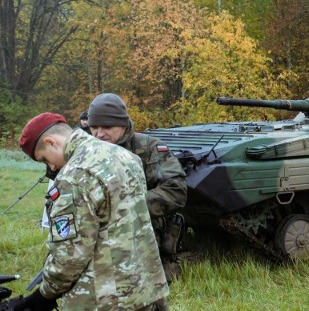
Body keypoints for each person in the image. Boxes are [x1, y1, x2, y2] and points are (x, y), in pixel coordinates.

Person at [14, 112, 169, 310]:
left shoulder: (74, 176)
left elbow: (70, 256)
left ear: (51, 142)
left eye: (45, 159)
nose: (51, 166)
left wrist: (43, 295)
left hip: (105, 297)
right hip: (144, 286)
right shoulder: (124, 155)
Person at [87, 92, 188, 282]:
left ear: (123, 124)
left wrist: (127, 207)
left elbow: (176, 190)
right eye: (94, 127)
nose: (99, 134)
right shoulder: (88, 150)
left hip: (142, 231)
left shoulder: (148, 148)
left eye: (107, 127)